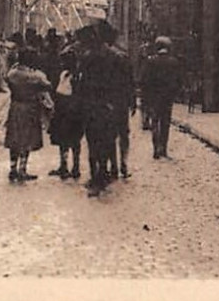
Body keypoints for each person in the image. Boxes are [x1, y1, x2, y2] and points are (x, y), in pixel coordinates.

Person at [75, 26, 116, 196]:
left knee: (92, 141)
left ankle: (95, 175)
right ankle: (103, 171)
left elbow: (80, 82)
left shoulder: (87, 57)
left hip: (91, 105)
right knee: (105, 139)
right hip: (107, 105)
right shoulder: (113, 56)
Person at [4, 47, 52, 182]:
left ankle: (12, 168)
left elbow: (7, 80)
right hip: (29, 107)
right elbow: (48, 85)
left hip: (15, 106)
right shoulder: (34, 76)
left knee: (14, 138)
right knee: (26, 139)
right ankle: (22, 169)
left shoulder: (12, 73)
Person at [101, 23, 136, 180]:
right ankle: (123, 164)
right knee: (123, 134)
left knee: (110, 135)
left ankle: (114, 165)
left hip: (107, 102)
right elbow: (130, 82)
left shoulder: (102, 57)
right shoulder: (122, 57)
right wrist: (132, 100)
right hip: (121, 101)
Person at [141, 35, 181, 160]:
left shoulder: (150, 61)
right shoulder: (174, 62)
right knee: (165, 122)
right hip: (167, 97)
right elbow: (178, 80)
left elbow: (145, 80)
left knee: (155, 122)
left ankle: (155, 149)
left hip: (154, 97)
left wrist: (146, 96)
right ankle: (163, 148)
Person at [48, 47, 83, 179]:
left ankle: (76, 167)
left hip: (72, 112)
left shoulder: (77, 77)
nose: (63, 64)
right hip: (62, 110)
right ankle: (64, 165)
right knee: (62, 140)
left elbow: (77, 95)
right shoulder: (63, 75)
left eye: (65, 61)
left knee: (75, 140)